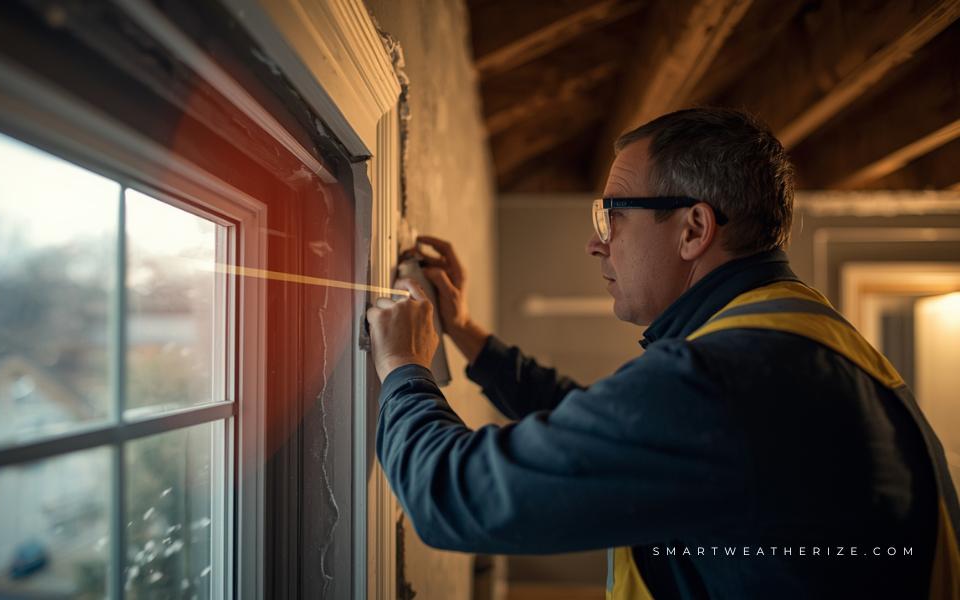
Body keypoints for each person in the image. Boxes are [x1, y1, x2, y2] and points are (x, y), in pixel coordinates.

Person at [365, 108, 959, 599]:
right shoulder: (799, 339)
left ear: (694, 229)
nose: (596, 243)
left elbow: (453, 495)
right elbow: (606, 431)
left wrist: (404, 368)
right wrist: (465, 332)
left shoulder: (725, 381)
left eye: (614, 214)